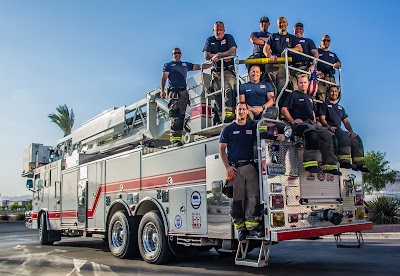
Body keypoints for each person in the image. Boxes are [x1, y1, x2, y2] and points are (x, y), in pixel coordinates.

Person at [220, 102, 284, 241]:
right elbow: (222, 149)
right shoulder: (228, 129)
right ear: (236, 111)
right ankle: (241, 229)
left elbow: (265, 134)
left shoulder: (252, 128)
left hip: (250, 168)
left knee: (253, 198)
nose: (241, 112)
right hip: (235, 169)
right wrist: (227, 167)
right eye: (239, 109)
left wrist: (278, 137)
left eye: (243, 109)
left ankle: (252, 228)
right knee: (237, 201)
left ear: (246, 112)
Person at [281, 75, 340, 175]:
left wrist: (315, 122)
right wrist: (293, 120)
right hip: (300, 124)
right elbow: (284, 109)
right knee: (312, 133)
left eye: (304, 82)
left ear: (308, 84)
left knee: (330, 136)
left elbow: (312, 112)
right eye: (301, 82)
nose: (303, 84)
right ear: (297, 84)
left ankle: (329, 166)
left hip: (312, 123)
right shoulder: (293, 95)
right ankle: (310, 164)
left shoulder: (310, 97)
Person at [161, 48, 208, 146]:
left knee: (182, 115)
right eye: (175, 53)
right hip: (174, 92)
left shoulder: (185, 65)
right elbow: (164, 78)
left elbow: (198, 67)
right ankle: (174, 139)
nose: (177, 54)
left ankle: (179, 137)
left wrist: (211, 64)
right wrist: (162, 90)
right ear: (172, 55)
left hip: (183, 91)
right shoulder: (168, 65)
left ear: (181, 54)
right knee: (175, 114)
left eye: (178, 53)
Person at [319, 85, 368, 172]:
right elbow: (322, 119)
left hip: (339, 130)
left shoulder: (341, 108)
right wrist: (329, 126)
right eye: (332, 91)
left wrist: (351, 132)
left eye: (335, 91)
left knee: (356, 138)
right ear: (327, 93)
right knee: (344, 136)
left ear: (338, 94)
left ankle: (359, 164)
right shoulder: (324, 105)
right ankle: (344, 161)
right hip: (329, 129)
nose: (334, 93)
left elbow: (345, 122)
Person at [263, 17, 302, 106]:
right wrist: (270, 56)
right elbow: (266, 49)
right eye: (280, 23)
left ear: (287, 24)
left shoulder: (292, 37)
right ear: (277, 25)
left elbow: (300, 48)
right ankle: (271, 107)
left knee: (282, 87)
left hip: (284, 65)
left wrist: (289, 50)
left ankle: (281, 109)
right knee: (270, 86)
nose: (282, 24)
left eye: (284, 22)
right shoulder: (273, 36)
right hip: (272, 63)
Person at [203, 21, 238, 124]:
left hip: (228, 70)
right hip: (216, 71)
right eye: (216, 30)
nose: (218, 32)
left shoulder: (229, 38)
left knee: (229, 88)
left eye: (220, 30)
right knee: (217, 93)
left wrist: (219, 55)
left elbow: (233, 50)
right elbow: (206, 55)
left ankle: (229, 114)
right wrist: (220, 56)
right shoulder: (210, 40)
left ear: (224, 30)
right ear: (213, 30)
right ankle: (220, 115)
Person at [239, 65, 275, 130]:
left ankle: (263, 132)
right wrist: (252, 109)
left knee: (272, 111)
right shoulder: (243, 86)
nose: (255, 73)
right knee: (244, 114)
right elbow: (242, 102)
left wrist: (262, 108)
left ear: (260, 73)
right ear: (249, 73)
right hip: (250, 110)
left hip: (264, 109)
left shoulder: (267, 85)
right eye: (253, 71)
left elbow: (272, 100)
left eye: (257, 72)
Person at [291, 22, 319, 91]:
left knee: (304, 88)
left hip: (304, 67)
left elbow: (315, 54)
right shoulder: (290, 40)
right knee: (294, 88)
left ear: (303, 31)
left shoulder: (308, 41)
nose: (298, 31)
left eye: (300, 29)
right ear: (293, 30)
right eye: (296, 29)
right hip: (292, 68)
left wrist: (313, 65)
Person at [316, 35, 341, 102]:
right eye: (324, 40)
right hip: (321, 78)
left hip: (331, 78)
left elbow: (339, 62)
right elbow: (311, 62)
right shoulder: (316, 52)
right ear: (321, 41)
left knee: (333, 97)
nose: (326, 42)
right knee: (321, 96)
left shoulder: (333, 54)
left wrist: (337, 64)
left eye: (328, 40)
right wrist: (317, 72)